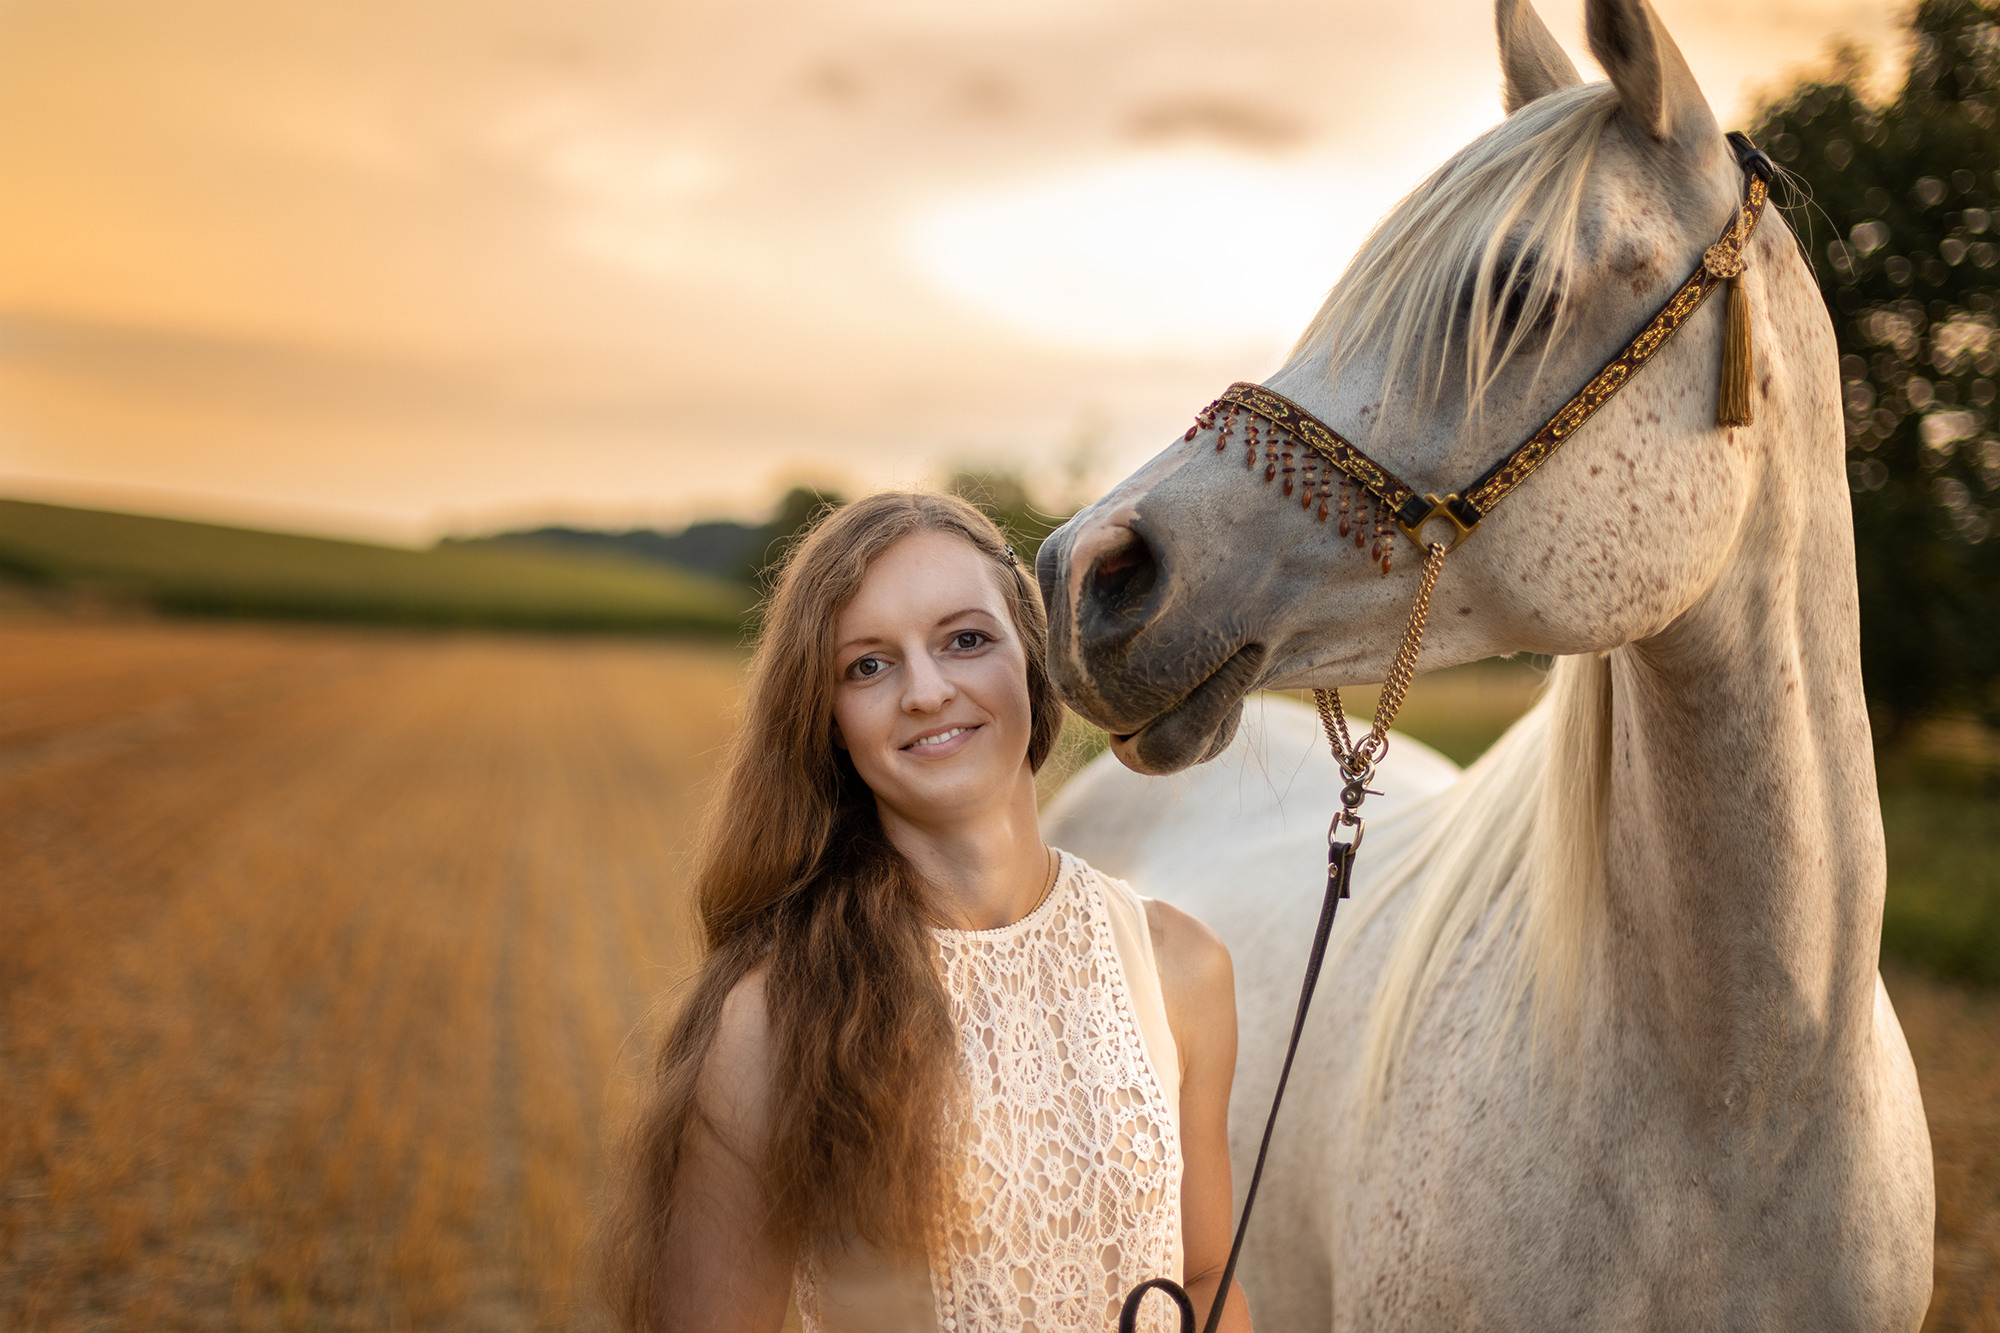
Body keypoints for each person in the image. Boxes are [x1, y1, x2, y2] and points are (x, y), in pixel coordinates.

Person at [595, 491, 1249, 1333]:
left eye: (965, 639)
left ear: (1033, 655)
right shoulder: (769, 1018)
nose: (927, 691)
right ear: (828, 719)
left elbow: (1203, 1275)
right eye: (868, 664)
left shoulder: (1181, 968)